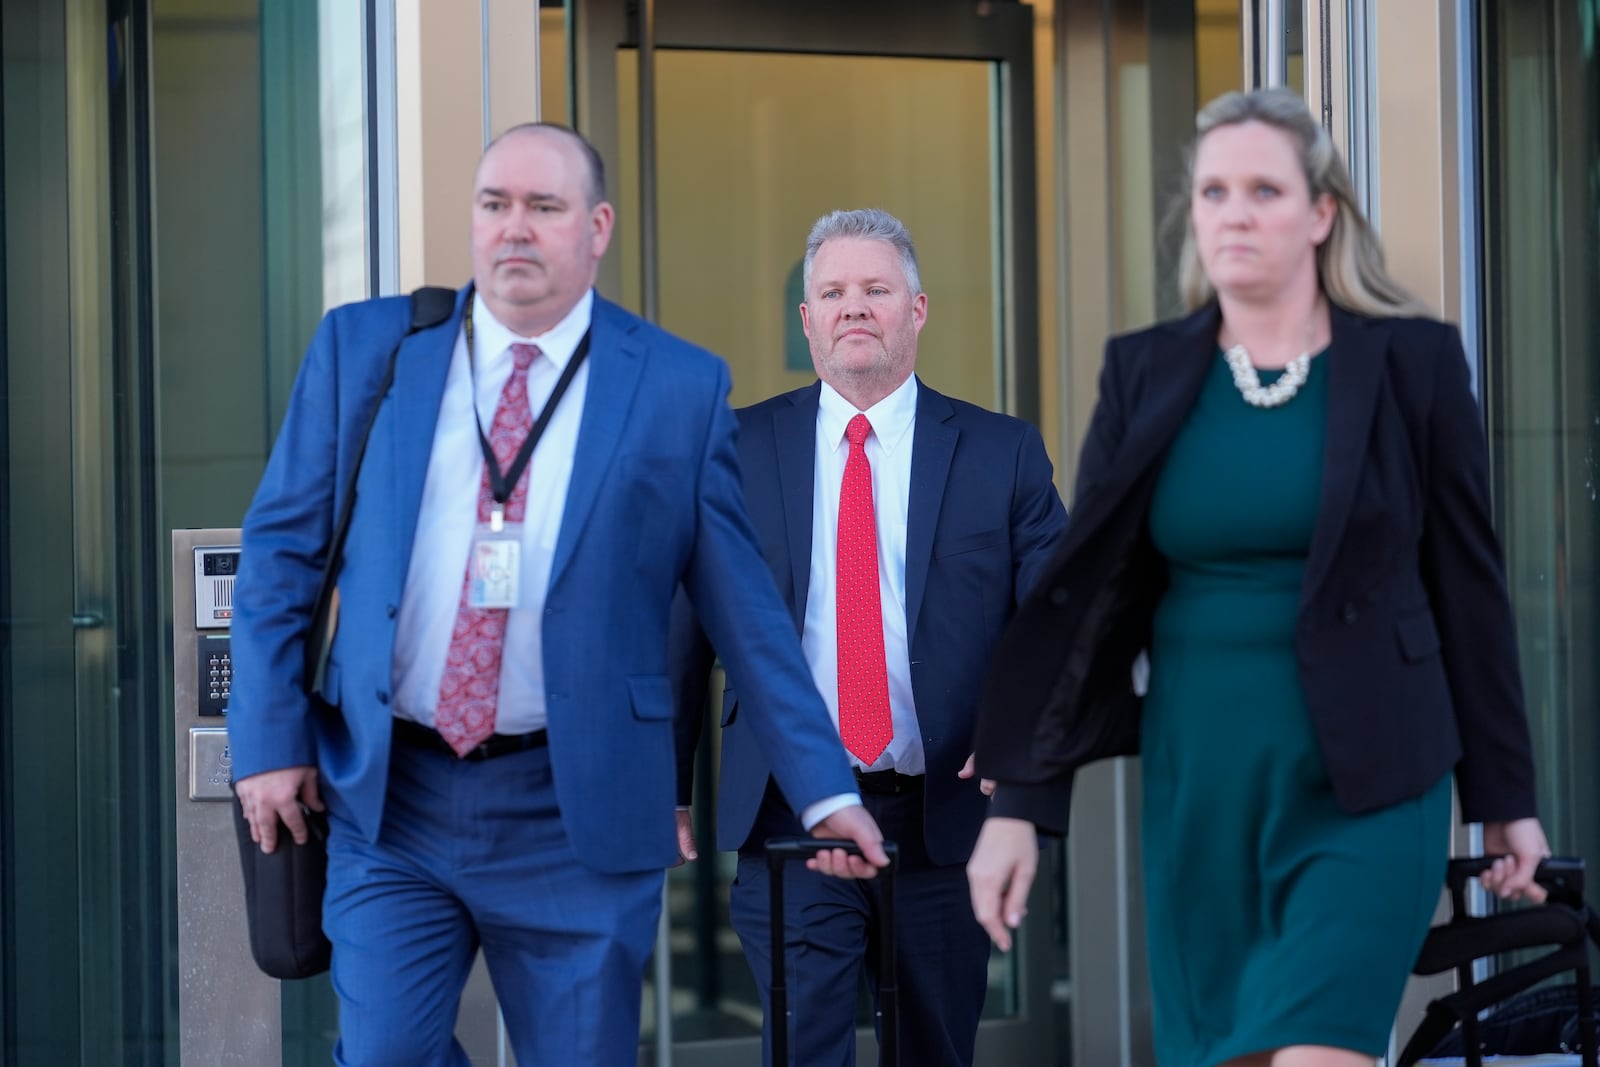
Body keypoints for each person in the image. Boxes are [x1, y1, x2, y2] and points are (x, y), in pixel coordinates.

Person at [228, 123, 887, 1067]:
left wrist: (826, 788)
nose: (514, 229)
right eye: (495, 204)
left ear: (597, 227)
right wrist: (267, 741)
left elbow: (745, 612)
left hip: (575, 810)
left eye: (544, 207)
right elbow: (279, 553)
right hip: (393, 796)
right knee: (383, 1053)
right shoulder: (370, 350)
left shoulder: (674, 385)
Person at [965, 88, 1552, 1067]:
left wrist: (1506, 791)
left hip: (1372, 776)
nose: (1234, 212)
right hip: (1204, 777)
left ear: (1320, 213)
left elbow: (1469, 585)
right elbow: (1095, 595)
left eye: (1264, 189)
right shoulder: (1145, 371)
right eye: (1214, 191)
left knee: (1321, 1048)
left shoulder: (1412, 361)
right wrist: (1019, 804)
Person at [671, 208, 1067, 1066]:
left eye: (875, 290)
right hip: (793, 814)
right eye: (833, 292)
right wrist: (665, 786)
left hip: (944, 821)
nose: (855, 307)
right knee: (805, 1049)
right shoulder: (735, 448)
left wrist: (1020, 744)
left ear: (916, 309)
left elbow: (1056, 621)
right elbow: (685, 627)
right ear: (807, 319)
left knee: (934, 1050)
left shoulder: (1003, 453)